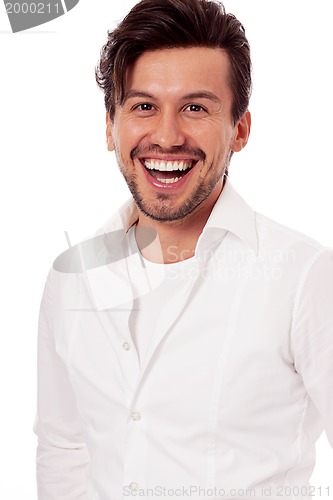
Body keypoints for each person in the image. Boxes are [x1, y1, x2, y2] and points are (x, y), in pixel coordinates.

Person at [34, 0, 333, 499]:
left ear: (239, 130)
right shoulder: (72, 277)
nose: (167, 136)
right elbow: (64, 449)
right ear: (110, 126)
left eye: (196, 108)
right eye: (144, 106)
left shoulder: (305, 278)